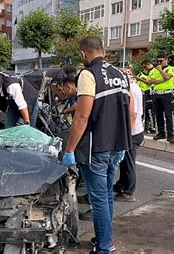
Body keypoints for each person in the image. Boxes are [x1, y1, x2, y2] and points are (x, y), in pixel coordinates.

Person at [62, 36, 133, 254]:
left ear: (83, 54)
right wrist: (124, 146)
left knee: (99, 199)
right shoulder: (121, 74)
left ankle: (105, 247)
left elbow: (82, 116)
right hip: (117, 145)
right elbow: (130, 113)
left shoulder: (88, 74)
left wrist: (69, 150)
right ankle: (103, 239)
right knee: (107, 196)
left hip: (96, 147)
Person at [114, 68, 144, 202]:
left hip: (133, 132)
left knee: (129, 163)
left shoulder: (131, 90)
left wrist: (127, 135)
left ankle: (128, 192)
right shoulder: (135, 87)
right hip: (136, 130)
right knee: (125, 162)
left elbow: (132, 114)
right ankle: (121, 184)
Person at [147, 54, 174, 144]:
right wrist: (162, 79)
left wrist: (161, 71)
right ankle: (161, 132)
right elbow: (150, 81)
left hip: (167, 94)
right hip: (156, 94)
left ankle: (171, 135)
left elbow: (167, 77)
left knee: (168, 115)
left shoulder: (172, 68)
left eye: (161, 61)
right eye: (158, 61)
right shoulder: (154, 70)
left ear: (166, 60)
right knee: (158, 114)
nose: (159, 63)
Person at [136, 60, 156, 133]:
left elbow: (150, 83)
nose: (145, 68)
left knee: (150, 111)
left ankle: (152, 128)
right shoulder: (140, 75)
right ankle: (145, 128)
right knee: (142, 112)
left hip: (149, 93)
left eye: (145, 66)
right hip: (143, 94)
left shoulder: (153, 73)